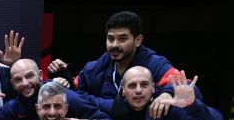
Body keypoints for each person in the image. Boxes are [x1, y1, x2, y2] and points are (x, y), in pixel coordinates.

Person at [49, 11, 177, 102]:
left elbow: (184, 84)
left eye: (122, 39)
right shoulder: (95, 68)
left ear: (138, 40)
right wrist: (61, 76)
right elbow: (75, 87)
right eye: (110, 39)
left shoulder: (154, 63)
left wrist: (168, 93)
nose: (114, 45)